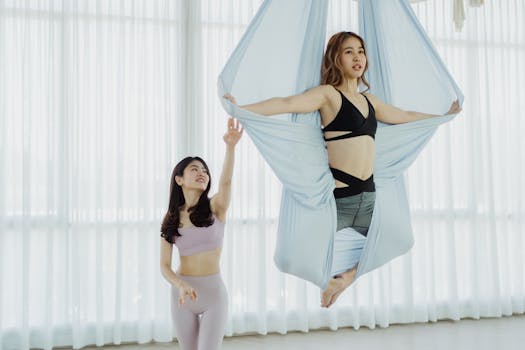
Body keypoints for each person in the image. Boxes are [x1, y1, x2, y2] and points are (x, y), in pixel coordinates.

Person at [224, 31, 461, 308]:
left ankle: (344, 279)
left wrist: (445, 117)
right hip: (340, 203)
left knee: (401, 240)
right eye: (349, 51)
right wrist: (239, 109)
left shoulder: (370, 101)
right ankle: (332, 281)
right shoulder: (328, 95)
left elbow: (406, 117)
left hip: (369, 201)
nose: (357, 57)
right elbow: (286, 103)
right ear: (336, 58)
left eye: (360, 51)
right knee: (295, 255)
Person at [160, 118, 243, 350]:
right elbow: (164, 266)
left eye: (204, 170)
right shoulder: (171, 219)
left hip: (214, 294)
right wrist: (180, 285)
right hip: (183, 294)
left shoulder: (217, 207)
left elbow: (226, 181)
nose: (202, 173)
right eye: (194, 169)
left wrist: (230, 147)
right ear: (179, 179)